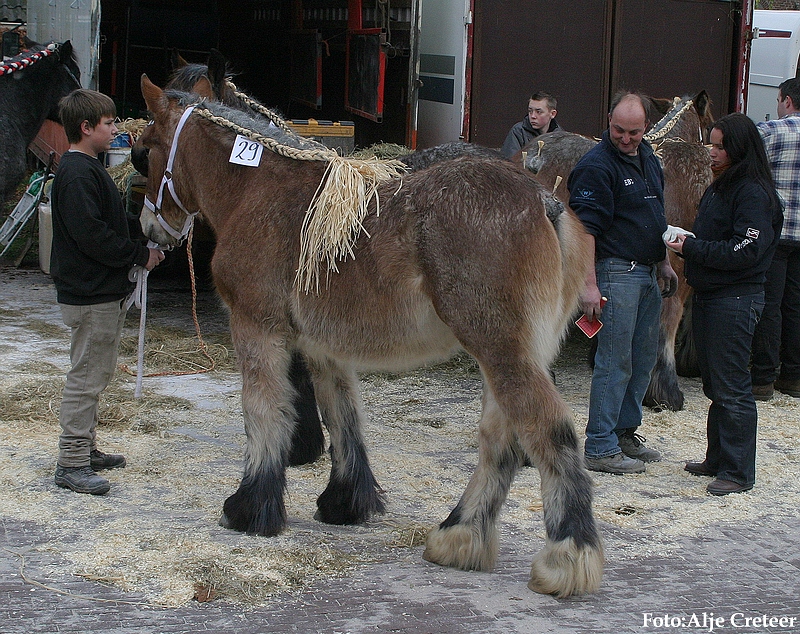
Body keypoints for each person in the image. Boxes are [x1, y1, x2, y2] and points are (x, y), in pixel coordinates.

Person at [50, 89, 165, 495]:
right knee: (86, 375)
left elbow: (106, 225)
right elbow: (91, 235)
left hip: (97, 291)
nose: (116, 130)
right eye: (109, 123)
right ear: (86, 128)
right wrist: (138, 254)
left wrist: (146, 244)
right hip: (89, 293)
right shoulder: (78, 173)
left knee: (96, 371)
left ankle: (87, 449)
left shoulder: (86, 168)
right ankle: (72, 461)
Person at [666, 113, 782, 496]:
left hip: (735, 297)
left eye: (719, 147)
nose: (711, 154)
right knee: (715, 383)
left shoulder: (752, 193)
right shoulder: (722, 186)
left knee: (732, 386)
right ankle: (717, 458)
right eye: (710, 145)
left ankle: (737, 470)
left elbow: (746, 249)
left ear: (739, 149)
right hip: (713, 294)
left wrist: (692, 247)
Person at [568, 91, 678, 475]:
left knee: (642, 358)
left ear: (646, 127)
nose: (626, 139)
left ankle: (624, 433)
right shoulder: (596, 166)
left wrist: (664, 262)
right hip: (616, 273)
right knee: (614, 361)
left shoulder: (648, 157)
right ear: (609, 121)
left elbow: (655, 213)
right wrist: (588, 285)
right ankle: (599, 445)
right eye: (618, 130)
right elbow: (583, 230)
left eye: (634, 132)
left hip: (647, 272)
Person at [750, 78, 800, 401]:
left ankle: (763, 378)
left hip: (778, 233)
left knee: (769, 303)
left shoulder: (775, 131)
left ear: (786, 100)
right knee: (795, 304)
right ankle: (793, 376)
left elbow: (742, 144)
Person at [500, 91, 560, 158]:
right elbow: (509, 162)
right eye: (530, 111)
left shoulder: (560, 136)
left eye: (538, 112)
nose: (533, 116)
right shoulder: (518, 131)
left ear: (552, 114)